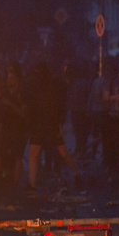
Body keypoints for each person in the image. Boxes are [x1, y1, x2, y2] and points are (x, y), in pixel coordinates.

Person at [25, 62, 76, 191]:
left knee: (59, 151)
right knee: (35, 153)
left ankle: (76, 173)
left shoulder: (46, 86)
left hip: (46, 123)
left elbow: (56, 106)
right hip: (44, 124)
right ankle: (32, 184)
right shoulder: (39, 86)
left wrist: (58, 122)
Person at [0, 62, 28, 193]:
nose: (9, 80)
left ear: (17, 79)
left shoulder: (22, 94)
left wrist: (10, 104)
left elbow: (24, 114)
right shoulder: (4, 93)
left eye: (12, 78)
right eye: (8, 77)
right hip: (5, 129)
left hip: (18, 130)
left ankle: (15, 184)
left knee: (17, 157)